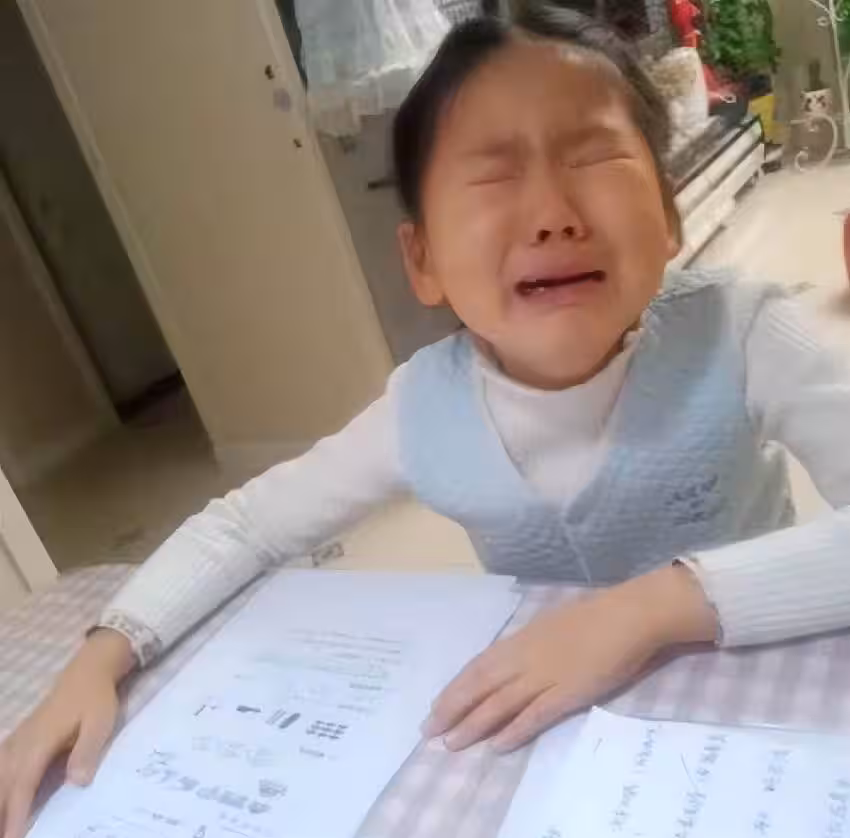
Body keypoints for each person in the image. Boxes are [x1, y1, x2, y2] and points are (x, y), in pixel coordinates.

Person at [3, 6, 850, 837]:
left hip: (758, 711)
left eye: (594, 157)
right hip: (547, 741)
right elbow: (245, 527)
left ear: (666, 218)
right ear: (424, 259)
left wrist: (654, 607)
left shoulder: (741, 331)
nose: (553, 214)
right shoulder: (424, 409)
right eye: (494, 176)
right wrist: (103, 656)